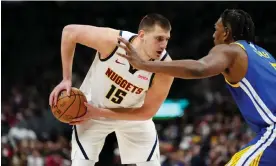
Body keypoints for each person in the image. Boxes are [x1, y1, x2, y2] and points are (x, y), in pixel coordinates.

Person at [116, 9, 276, 166]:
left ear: (226, 33)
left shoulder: (230, 50)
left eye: (216, 29)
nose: (213, 35)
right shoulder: (266, 56)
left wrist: (144, 64)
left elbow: (199, 67)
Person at [49, 13, 174, 166]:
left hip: (132, 115)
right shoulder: (113, 42)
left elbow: (147, 113)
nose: (164, 45)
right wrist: (66, 78)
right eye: (159, 38)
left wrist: (101, 113)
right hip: (93, 109)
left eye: (167, 39)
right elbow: (69, 32)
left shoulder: (165, 68)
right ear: (142, 35)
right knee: (81, 163)